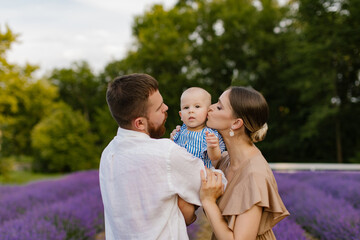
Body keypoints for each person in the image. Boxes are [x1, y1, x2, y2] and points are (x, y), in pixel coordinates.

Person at [99, 73, 209, 240]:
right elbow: (216, 183)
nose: (166, 108)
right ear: (140, 123)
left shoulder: (108, 153)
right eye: (159, 108)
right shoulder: (166, 153)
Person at [199, 86, 290, 240]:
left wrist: (208, 201)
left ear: (236, 123)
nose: (210, 108)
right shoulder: (225, 160)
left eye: (219, 107)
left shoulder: (254, 175)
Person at [172, 87, 226, 168]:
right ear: (181, 115)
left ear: (207, 112)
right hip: (178, 173)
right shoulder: (180, 130)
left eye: (197, 106)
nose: (191, 111)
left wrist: (213, 147)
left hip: (200, 176)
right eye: (186, 107)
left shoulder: (210, 134)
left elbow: (215, 157)